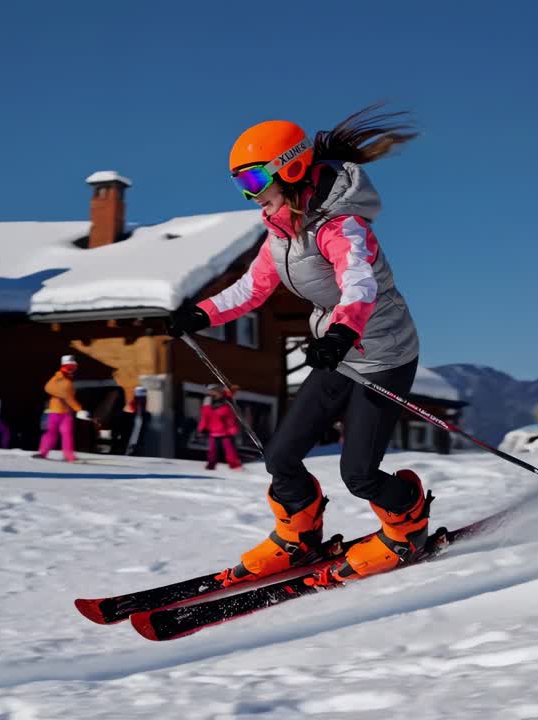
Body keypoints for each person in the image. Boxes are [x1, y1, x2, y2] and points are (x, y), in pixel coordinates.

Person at [168, 105, 425, 586]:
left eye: (253, 182)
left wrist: (343, 333)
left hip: (384, 354)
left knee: (360, 474)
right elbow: (251, 289)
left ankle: (408, 522)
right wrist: (199, 313)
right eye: (241, 185)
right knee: (281, 456)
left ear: (289, 169)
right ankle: (299, 536)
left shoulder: (340, 227)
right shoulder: (281, 235)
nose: (251, 196)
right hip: (340, 352)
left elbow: (359, 286)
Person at [38, 355, 92, 462]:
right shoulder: (59, 377)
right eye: (70, 367)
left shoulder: (68, 380)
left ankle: (69, 455)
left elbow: (69, 398)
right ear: (65, 366)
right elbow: (48, 388)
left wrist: (78, 409)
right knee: (51, 433)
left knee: (67, 434)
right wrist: (78, 409)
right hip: (55, 411)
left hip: (66, 413)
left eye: (73, 367)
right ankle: (43, 452)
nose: (72, 369)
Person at [198, 384, 243, 470]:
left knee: (230, 450)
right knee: (212, 451)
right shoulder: (207, 403)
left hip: (225, 432)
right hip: (213, 432)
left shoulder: (227, 404)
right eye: (212, 392)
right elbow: (204, 417)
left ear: (221, 392)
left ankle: (234, 465)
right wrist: (202, 428)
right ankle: (211, 465)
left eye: (216, 391)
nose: (213, 393)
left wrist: (233, 429)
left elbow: (231, 419)